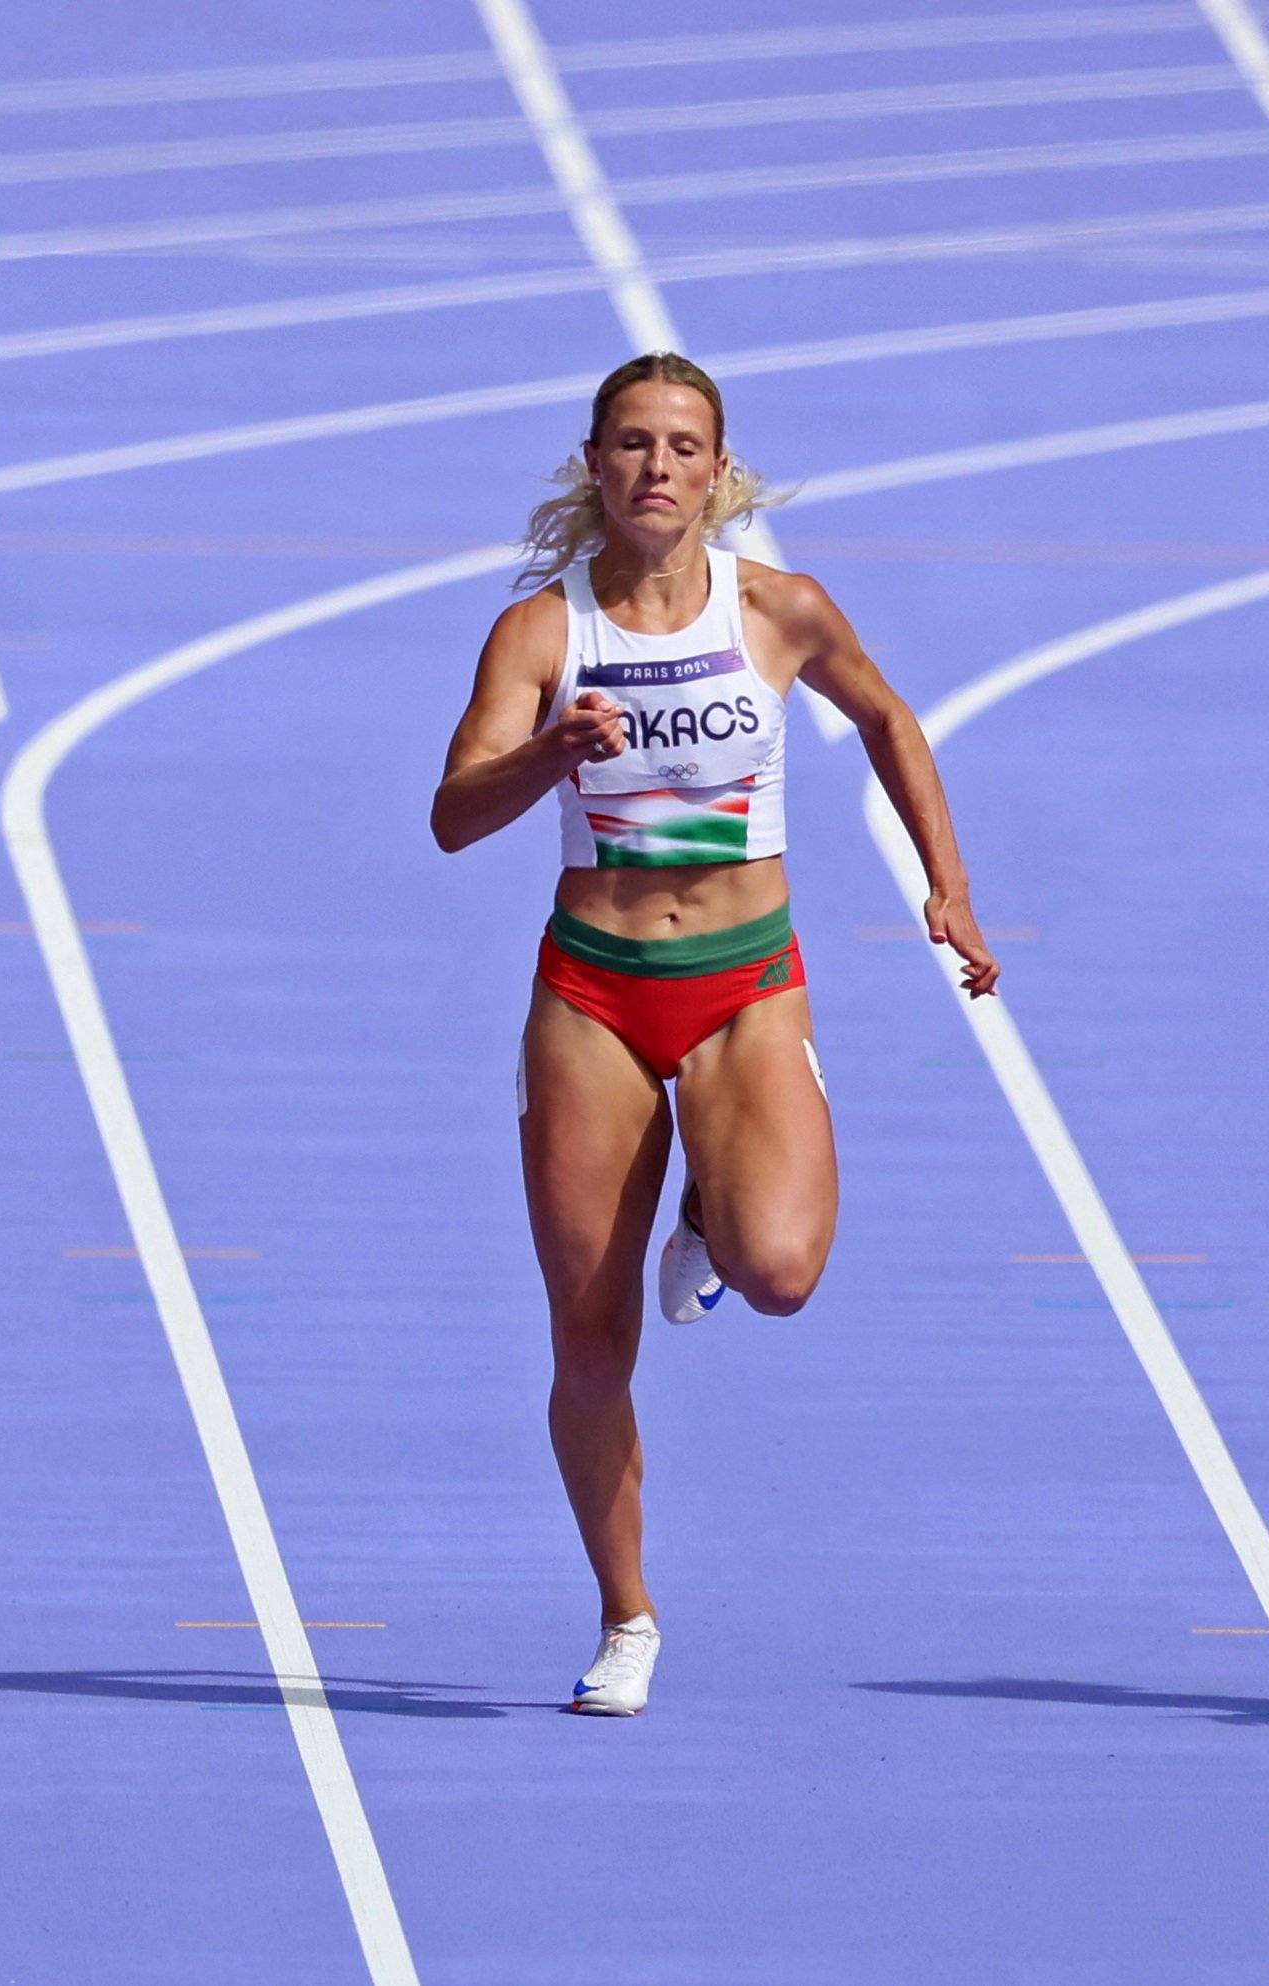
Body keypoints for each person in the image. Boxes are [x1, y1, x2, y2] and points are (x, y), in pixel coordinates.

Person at [429, 352, 997, 1715]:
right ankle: (625, 1615)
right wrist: (545, 756)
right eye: (630, 444)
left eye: (682, 446)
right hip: (594, 994)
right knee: (586, 1337)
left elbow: (886, 717)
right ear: (591, 464)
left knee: (780, 1267)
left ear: (718, 472)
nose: (655, 469)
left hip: (745, 983)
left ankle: (711, 1210)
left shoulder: (778, 612)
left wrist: (948, 885)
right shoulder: (538, 634)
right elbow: (451, 813)